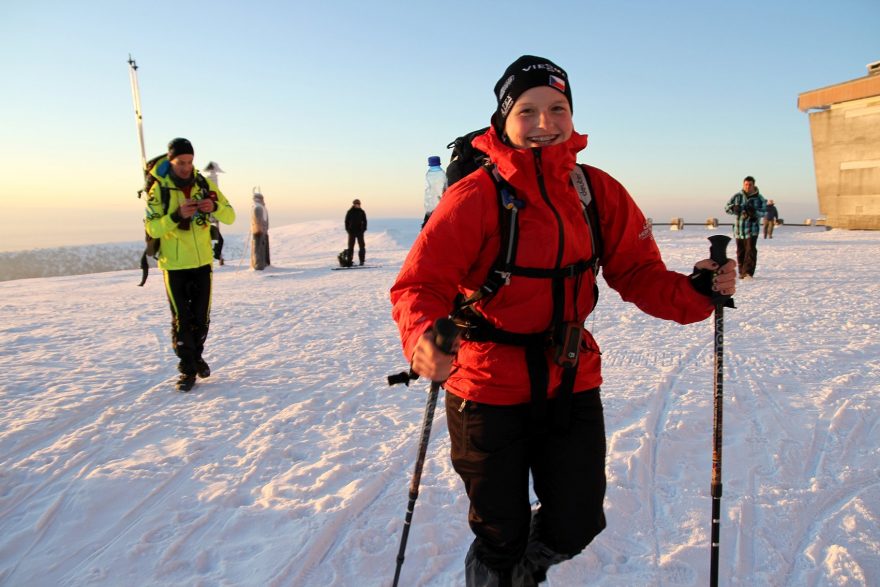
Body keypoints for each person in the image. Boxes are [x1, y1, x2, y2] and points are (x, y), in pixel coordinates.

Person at [390, 55, 736, 585]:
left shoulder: (595, 191)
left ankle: (521, 572)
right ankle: (501, 574)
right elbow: (420, 284)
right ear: (503, 121)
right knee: (499, 532)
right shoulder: (474, 196)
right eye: (527, 111)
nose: (545, 123)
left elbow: (638, 273)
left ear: (572, 117)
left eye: (558, 108)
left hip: (569, 377)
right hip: (485, 385)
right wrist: (425, 335)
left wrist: (695, 291)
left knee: (576, 522)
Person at [144, 138, 236, 392]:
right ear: (171, 161)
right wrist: (176, 216)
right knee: (182, 319)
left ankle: (196, 356)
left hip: (202, 261)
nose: (186, 167)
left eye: (189, 162)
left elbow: (230, 215)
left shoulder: (201, 184)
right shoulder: (159, 190)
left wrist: (214, 206)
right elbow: (151, 226)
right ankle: (187, 369)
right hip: (173, 265)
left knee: (201, 317)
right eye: (181, 162)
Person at [724, 176, 767, 279]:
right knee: (740, 251)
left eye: (750, 184)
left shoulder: (759, 198)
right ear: (743, 185)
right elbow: (726, 208)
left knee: (750, 250)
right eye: (746, 184)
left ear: (754, 185)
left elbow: (764, 212)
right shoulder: (737, 196)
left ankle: (748, 273)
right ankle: (741, 271)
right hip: (739, 229)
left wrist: (754, 213)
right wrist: (734, 208)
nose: (748, 186)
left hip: (752, 229)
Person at [251, 189, 270, 270]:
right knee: (260, 250)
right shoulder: (259, 207)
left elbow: (259, 221)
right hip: (260, 232)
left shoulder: (258, 207)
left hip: (260, 232)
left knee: (260, 250)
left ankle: (260, 265)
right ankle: (260, 265)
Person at [345, 198, 368, 266]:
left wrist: (363, 229)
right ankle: (349, 261)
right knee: (350, 247)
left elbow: (365, 221)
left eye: (359, 204)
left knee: (362, 247)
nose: (358, 205)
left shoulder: (362, 212)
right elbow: (346, 221)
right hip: (351, 232)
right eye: (356, 204)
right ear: (354, 204)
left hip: (360, 232)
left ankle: (362, 261)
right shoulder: (350, 212)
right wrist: (348, 230)